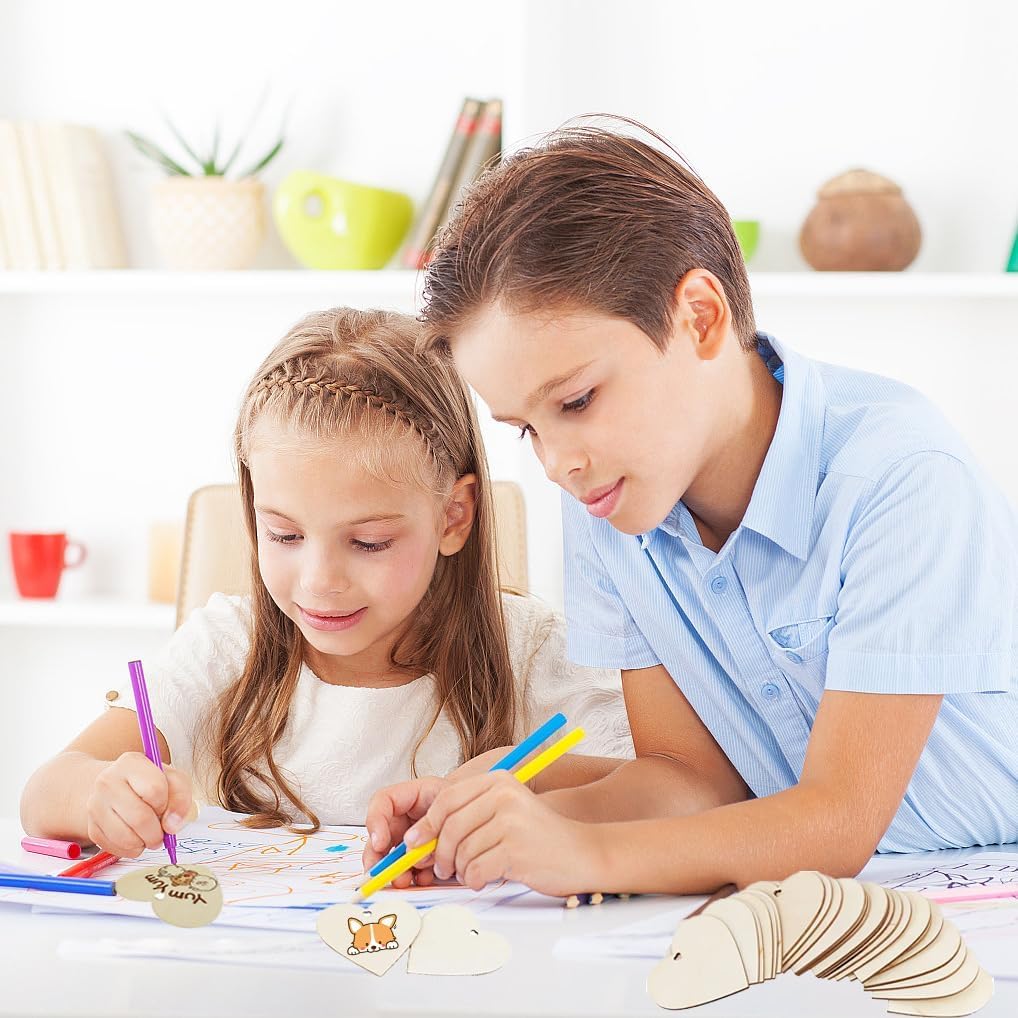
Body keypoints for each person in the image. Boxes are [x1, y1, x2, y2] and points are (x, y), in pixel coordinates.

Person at [363, 121, 1018, 897]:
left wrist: (586, 855)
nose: (557, 462)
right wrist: (508, 806)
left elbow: (838, 821)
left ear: (700, 318)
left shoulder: (900, 475)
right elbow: (690, 781)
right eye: (526, 428)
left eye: (577, 399)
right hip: (824, 887)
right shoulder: (609, 495)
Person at [20, 308, 632, 858]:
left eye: (368, 543)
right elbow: (46, 791)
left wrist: (520, 781)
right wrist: (99, 796)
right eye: (284, 536)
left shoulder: (532, 652)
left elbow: (656, 789)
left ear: (454, 517)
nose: (319, 582)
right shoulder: (225, 647)